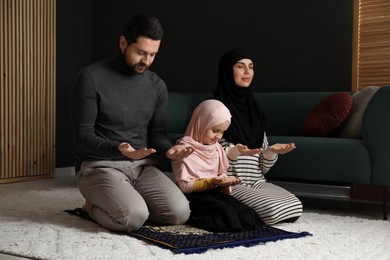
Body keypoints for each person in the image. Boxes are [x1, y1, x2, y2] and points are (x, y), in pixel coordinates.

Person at [70, 13, 192, 232]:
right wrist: (119, 149)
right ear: (123, 42)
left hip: (142, 167)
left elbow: (156, 134)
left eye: (153, 55)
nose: (146, 61)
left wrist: (169, 151)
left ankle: (130, 201)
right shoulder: (90, 78)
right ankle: (90, 208)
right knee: (132, 218)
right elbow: (82, 138)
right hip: (100, 166)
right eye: (140, 53)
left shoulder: (157, 86)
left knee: (179, 213)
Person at [212, 48, 303, 225]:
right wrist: (233, 152)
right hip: (231, 183)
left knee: (295, 207)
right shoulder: (214, 109)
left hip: (257, 181)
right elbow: (207, 156)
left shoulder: (255, 112)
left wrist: (270, 152)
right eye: (240, 66)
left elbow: (263, 167)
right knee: (273, 211)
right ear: (227, 70)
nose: (247, 72)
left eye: (251, 67)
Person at [170, 99, 264, 232]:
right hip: (195, 195)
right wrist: (212, 181)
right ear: (200, 124)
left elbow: (221, 172)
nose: (218, 137)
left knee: (247, 214)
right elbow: (185, 186)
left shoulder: (216, 148)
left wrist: (225, 183)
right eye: (215, 131)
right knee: (224, 215)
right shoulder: (185, 149)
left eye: (222, 132)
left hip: (215, 192)